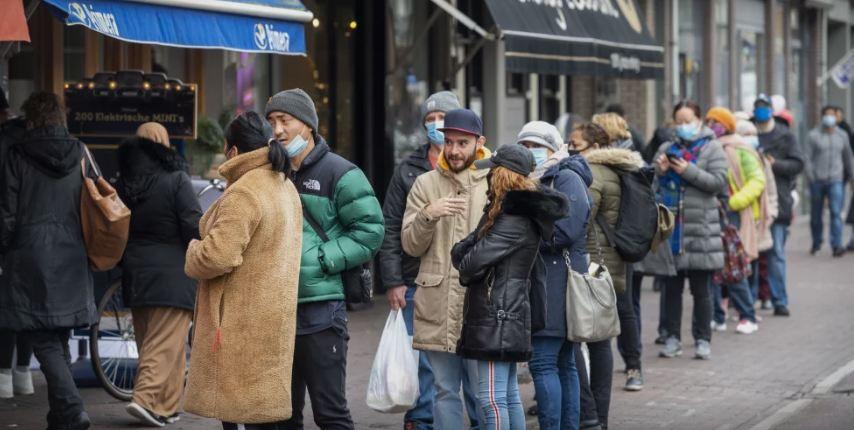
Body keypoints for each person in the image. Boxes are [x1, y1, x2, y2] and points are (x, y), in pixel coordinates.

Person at [265, 89, 384, 429]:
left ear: (307, 125)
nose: (277, 130)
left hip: (322, 310)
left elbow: (371, 231)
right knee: (281, 415)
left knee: (330, 413)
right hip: (276, 310)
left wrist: (321, 257)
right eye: (272, 122)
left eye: (285, 121)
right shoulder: (272, 172)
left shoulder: (341, 173)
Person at [183, 111, 301, 428]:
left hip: (240, 325)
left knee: (242, 412)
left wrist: (194, 249)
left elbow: (216, 257)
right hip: (272, 321)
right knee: (261, 415)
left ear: (233, 151)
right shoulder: (283, 185)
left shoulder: (244, 192)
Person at [452, 144, 568, 430]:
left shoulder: (512, 218)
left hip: (499, 314)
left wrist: (471, 243)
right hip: (507, 311)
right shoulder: (515, 214)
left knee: (492, 400)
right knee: (508, 395)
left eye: (492, 171)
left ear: (502, 175)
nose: (488, 176)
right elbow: (468, 257)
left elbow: (468, 263)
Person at [0, 92, 96, 429]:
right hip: (72, 255)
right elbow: (98, 199)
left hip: (29, 257)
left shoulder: (17, 155)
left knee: (42, 337)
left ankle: (71, 409)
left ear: (31, 119)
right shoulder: (81, 152)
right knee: (58, 337)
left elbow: (7, 215)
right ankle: (60, 418)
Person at [402, 108, 491, 429]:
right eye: (449, 142)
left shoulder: (495, 181)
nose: (453, 150)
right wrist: (428, 214)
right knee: (444, 391)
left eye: (462, 143)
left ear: (479, 142)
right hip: (437, 303)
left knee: (485, 395)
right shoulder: (426, 184)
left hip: (482, 306)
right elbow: (410, 245)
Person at [378, 90, 462, 430]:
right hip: (415, 278)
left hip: (458, 277)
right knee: (422, 355)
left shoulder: (476, 165)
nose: (437, 126)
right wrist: (393, 280)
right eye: (430, 120)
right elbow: (390, 224)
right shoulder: (408, 169)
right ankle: (420, 419)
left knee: (457, 356)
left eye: (443, 119)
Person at [116, 123, 202, 426]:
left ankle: (164, 408)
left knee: (156, 344)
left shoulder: (123, 183)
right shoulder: (176, 179)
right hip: (173, 275)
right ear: (164, 145)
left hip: (135, 273)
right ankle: (143, 399)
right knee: (164, 345)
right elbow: (193, 225)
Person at [517, 121, 591, 429]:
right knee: (563, 364)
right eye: (525, 146)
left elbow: (565, 231)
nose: (530, 152)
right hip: (551, 280)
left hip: (558, 283)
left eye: (536, 146)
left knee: (546, 362)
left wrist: (525, 230)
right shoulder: (538, 178)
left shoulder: (566, 177)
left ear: (553, 148)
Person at [571, 121, 646, 426]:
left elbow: (580, 219)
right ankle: (597, 416)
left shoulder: (593, 174)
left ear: (596, 148)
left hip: (592, 268)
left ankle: (591, 415)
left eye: (576, 145)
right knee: (599, 341)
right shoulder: (613, 170)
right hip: (610, 267)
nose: (571, 149)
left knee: (585, 342)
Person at [655, 100, 728, 360]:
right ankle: (672, 337)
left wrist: (688, 170)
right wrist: (660, 172)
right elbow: (652, 185)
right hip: (672, 229)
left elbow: (718, 183)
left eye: (688, 120)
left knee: (701, 290)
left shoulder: (712, 147)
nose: (683, 126)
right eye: (679, 121)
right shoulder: (666, 148)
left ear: (699, 120)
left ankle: (702, 339)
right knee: (671, 290)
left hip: (701, 230)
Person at [705, 107, 767, 335]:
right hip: (713, 212)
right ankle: (717, 316)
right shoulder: (709, 147)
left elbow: (757, 181)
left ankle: (747, 316)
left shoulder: (740, 149)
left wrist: (734, 202)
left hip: (733, 214)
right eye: (709, 121)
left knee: (734, 266)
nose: (711, 125)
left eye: (716, 122)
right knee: (713, 267)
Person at [753, 94, 804, 317]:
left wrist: (775, 165)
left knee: (776, 254)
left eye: (765, 107)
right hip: (750, 204)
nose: (761, 111)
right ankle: (749, 299)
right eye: (758, 108)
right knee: (749, 253)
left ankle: (779, 300)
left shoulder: (785, 136)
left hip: (777, 203)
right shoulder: (747, 133)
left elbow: (798, 164)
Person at [0, 93, 33, 400]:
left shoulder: (7, 145)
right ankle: (23, 373)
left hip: (11, 237)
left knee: (7, 307)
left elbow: (7, 203)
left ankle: (4, 376)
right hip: (39, 239)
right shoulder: (34, 144)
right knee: (26, 307)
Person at [805, 106, 854, 257]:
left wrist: (852, 177)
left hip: (836, 180)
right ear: (822, 117)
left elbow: (848, 158)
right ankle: (817, 241)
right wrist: (812, 178)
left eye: (832, 115)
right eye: (827, 115)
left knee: (835, 212)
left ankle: (836, 244)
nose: (830, 118)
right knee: (816, 215)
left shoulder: (842, 136)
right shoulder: (813, 136)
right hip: (818, 181)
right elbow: (807, 159)